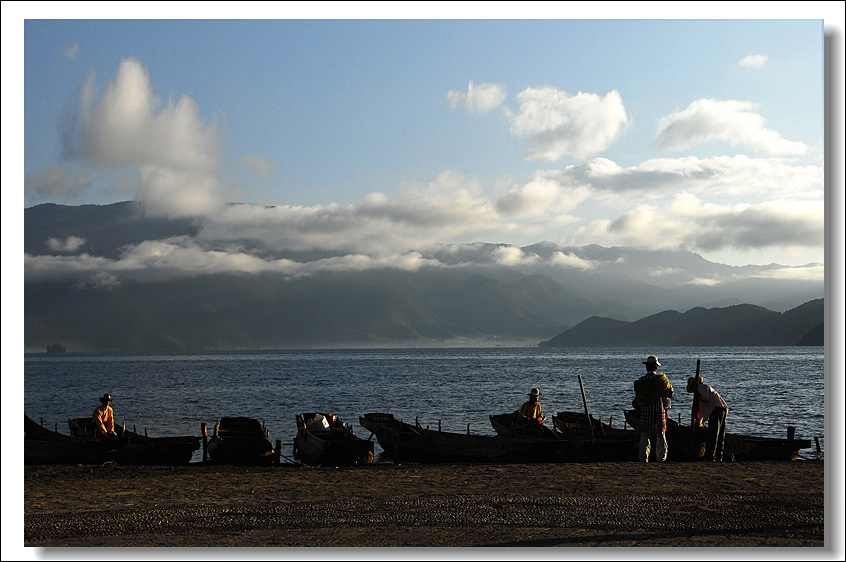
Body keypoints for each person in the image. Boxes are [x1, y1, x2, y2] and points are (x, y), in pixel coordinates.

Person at [632, 356, 673, 462]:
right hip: (658, 411)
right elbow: (668, 394)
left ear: (646, 367)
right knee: (661, 436)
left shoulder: (641, 381)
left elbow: (637, 399)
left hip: (645, 412)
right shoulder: (661, 380)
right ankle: (662, 458)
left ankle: (643, 458)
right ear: (656, 367)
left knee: (644, 436)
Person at [687, 375, 729, 462]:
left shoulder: (702, 387)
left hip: (718, 409)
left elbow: (705, 397)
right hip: (720, 408)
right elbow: (703, 409)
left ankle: (711, 456)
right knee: (719, 433)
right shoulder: (702, 389)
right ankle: (717, 456)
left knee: (714, 433)